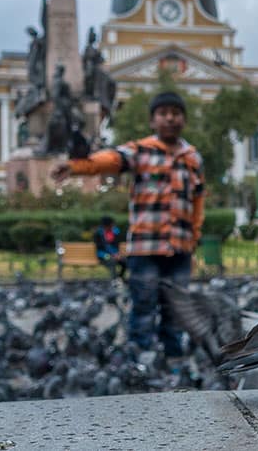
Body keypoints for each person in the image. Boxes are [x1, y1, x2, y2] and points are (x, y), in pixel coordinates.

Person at [51, 91, 203, 356]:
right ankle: (139, 358)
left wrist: (195, 237)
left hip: (180, 249)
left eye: (176, 114)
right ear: (153, 121)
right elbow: (111, 159)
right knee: (143, 304)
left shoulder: (193, 158)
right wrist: (77, 167)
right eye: (163, 114)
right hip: (145, 248)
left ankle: (172, 359)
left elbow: (198, 203)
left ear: (184, 120)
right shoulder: (141, 150)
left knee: (178, 308)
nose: (170, 119)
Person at [93, 215, 125, 279]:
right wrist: (111, 255)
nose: (113, 225)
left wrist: (117, 254)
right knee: (111, 260)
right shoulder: (99, 233)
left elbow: (116, 245)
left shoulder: (115, 231)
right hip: (103, 255)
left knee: (124, 261)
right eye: (111, 224)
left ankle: (120, 277)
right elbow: (100, 247)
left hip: (115, 254)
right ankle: (114, 279)